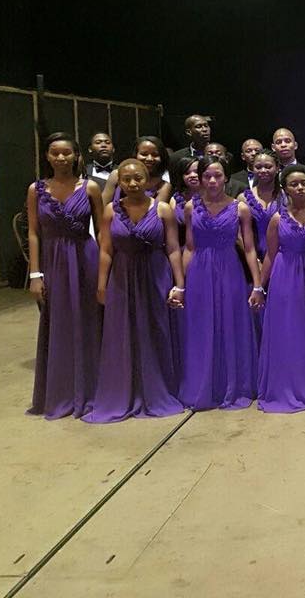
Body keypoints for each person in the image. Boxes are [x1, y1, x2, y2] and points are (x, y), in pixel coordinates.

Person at [84, 159, 185, 422]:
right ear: (119, 182)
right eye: (126, 179)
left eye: (137, 178)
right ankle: (126, 390)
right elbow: (106, 250)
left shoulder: (163, 209)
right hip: (122, 277)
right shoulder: (110, 211)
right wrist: (102, 284)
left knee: (156, 331)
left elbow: (173, 248)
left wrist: (179, 284)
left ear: (146, 178)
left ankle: (160, 388)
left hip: (155, 276)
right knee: (124, 332)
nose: (132, 183)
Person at [26, 132, 103, 419]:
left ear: (76, 156)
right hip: (54, 261)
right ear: (47, 156)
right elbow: (33, 233)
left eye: (66, 153)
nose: (61, 158)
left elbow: (103, 233)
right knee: (57, 322)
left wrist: (105, 275)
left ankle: (93, 389)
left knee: (89, 322)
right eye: (55, 153)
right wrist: (35, 273)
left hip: (86, 259)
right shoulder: (36, 189)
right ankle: (61, 392)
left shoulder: (91, 188)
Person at [179, 156, 264, 410]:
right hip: (200, 272)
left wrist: (258, 285)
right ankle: (205, 386)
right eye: (207, 176)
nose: (213, 181)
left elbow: (249, 249)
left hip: (230, 271)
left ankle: (232, 385)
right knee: (202, 327)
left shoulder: (240, 209)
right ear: (201, 178)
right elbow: (189, 247)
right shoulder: (190, 208)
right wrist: (181, 284)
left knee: (231, 326)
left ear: (227, 177)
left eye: (218, 175)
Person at [256, 165, 305, 413]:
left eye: (303, 183)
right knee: (290, 331)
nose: (299, 188)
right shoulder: (278, 218)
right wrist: (259, 286)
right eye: (293, 184)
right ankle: (287, 386)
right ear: (285, 188)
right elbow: (269, 255)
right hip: (285, 279)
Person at [101, 136, 173, 205]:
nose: (149, 159)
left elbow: (156, 214)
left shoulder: (164, 186)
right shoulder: (116, 175)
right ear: (135, 155)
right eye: (144, 154)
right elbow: (102, 207)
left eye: (155, 155)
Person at [237, 148, 281, 261]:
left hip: (283, 258)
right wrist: (254, 261)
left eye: (268, 167)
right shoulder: (243, 198)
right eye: (258, 167)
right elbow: (239, 235)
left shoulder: (288, 196)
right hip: (252, 259)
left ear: (277, 168)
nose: (263, 170)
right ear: (252, 169)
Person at [169, 157, 200, 243]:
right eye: (187, 173)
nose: (192, 175)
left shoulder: (213, 197)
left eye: (197, 172)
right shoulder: (175, 199)